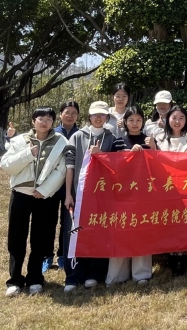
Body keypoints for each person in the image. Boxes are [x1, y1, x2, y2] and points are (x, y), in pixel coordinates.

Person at [0, 106, 68, 297]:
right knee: (16, 238)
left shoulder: (60, 141)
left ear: (53, 122)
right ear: (33, 121)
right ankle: (14, 279)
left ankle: (35, 278)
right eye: (40, 118)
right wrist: (28, 154)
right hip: (21, 194)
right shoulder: (20, 141)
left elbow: (61, 170)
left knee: (41, 238)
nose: (44, 122)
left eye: (48, 119)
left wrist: (44, 191)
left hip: (44, 197)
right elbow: (6, 165)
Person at [63, 101, 118, 292]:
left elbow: (117, 167)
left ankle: (95, 273)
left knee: (98, 230)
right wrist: (68, 193)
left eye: (102, 115)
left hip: (102, 196)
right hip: (78, 194)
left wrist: (102, 155)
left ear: (107, 117)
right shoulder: (77, 137)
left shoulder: (112, 138)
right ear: (89, 116)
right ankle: (73, 275)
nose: (98, 118)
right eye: (95, 115)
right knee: (74, 232)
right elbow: (69, 165)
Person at [106, 105, 154, 287]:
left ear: (143, 122)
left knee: (141, 230)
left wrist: (150, 150)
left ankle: (141, 273)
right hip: (122, 193)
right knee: (121, 231)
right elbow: (109, 168)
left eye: (138, 120)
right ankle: (117, 274)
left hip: (143, 193)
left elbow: (158, 165)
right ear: (125, 122)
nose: (135, 124)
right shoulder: (117, 142)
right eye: (131, 120)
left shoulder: (149, 140)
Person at [156, 105, 187, 276]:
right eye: (174, 117)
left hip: (186, 187)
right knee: (168, 222)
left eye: (181, 118)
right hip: (166, 188)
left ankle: (183, 258)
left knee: (183, 222)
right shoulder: (160, 139)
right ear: (168, 119)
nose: (177, 121)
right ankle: (168, 257)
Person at [42, 100, 81, 274]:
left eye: (74, 113)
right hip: (52, 185)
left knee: (67, 223)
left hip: (71, 187)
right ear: (60, 114)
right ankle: (46, 256)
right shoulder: (52, 133)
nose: (70, 116)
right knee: (48, 222)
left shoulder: (80, 134)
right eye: (67, 112)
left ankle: (63, 255)